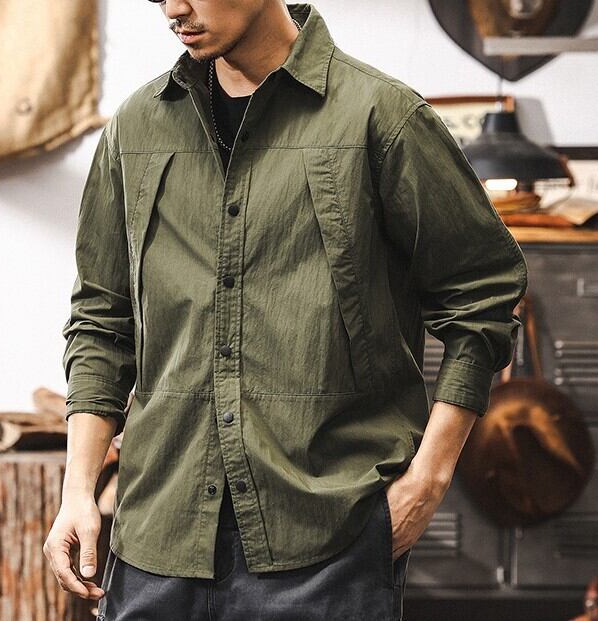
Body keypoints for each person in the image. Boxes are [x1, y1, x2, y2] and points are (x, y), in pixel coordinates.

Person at [43, 1, 529, 619]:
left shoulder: (381, 118)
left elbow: (483, 297)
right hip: (157, 541)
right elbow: (102, 320)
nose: (173, 8)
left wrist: (427, 482)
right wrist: (78, 491)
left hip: (328, 544)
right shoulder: (136, 129)